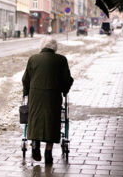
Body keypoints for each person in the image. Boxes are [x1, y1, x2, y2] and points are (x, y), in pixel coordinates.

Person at [22, 36, 73, 164]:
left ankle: (35, 145)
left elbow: (25, 79)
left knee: (35, 119)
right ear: (54, 48)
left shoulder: (33, 59)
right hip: (53, 96)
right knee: (52, 121)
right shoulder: (61, 60)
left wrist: (26, 92)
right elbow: (67, 80)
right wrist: (64, 90)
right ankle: (48, 153)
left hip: (36, 96)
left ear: (42, 46)